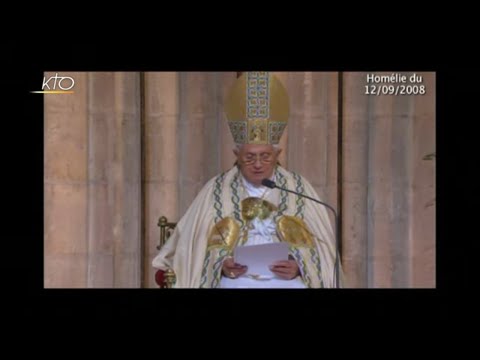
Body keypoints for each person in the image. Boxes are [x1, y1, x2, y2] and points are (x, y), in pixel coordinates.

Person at [152, 72, 345, 288]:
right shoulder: (216, 190)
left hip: (286, 280)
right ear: (237, 156)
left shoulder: (298, 189)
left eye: (265, 156)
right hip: (235, 279)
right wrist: (221, 265)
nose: (258, 164)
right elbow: (193, 246)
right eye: (250, 157)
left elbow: (321, 250)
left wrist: (299, 266)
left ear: (277, 155)